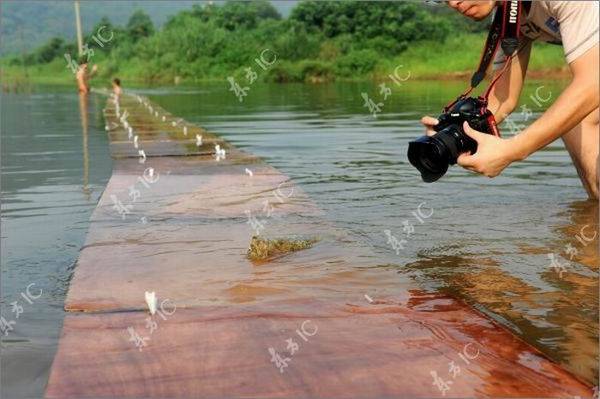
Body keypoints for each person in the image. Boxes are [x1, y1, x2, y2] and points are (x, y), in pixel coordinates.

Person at [421, 1, 599, 199]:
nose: (453, 3)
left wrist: (513, 150)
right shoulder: (507, 14)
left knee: (580, 119)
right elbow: (502, 100)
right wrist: (451, 133)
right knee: (577, 124)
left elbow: (593, 83)